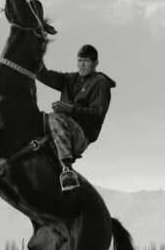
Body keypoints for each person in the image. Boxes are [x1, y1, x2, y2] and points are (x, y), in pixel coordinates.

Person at [37, 44, 116, 191]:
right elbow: (43, 75)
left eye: (86, 61)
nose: (82, 64)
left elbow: (97, 113)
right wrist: (36, 52)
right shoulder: (70, 78)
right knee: (39, 118)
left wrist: (70, 109)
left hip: (80, 136)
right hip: (61, 129)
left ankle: (67, 170)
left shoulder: (100, 82)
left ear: (95, 63)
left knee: (54, 118)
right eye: (79, 60)